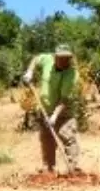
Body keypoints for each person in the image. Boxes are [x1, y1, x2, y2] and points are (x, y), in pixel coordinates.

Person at [22, 43, 83, 174]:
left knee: (68, 136)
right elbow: (36, 59)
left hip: (64, 112)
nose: (64, 61)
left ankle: (73, 169)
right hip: (44, 109)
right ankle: (48, 169)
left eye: (66, 58)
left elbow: (65, 99)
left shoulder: (72, 74)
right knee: (46, 139)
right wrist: (30, 71)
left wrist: (55, 116)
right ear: (55, 57)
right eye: (61, 57)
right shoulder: (47, 59)